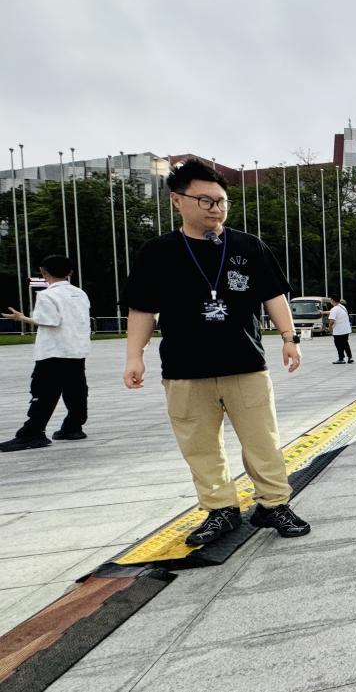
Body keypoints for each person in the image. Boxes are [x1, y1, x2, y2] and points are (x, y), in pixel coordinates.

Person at [122, 159, 310, 545]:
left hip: (245, 363)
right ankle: (220, 509)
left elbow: (274, 295)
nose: (215, 208)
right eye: (205, 200)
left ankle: (274, 504)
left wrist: (289, 338)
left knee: (263, 441)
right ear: (177, 200)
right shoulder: (158, 252)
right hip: (184, 368)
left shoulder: (248, 246)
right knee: (200, 446)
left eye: (221, 201)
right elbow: (142, 309)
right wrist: (134, 356)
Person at [1, 255, 91, 452]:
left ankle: (33, 432)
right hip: (76, 349)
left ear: (43, 272)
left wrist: (22, 318)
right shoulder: (80, 294)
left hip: (53, 351)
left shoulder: (47, 295)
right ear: (70, 272)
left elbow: (49, 320)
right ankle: (73, 427)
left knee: (44, 392)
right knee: (75, 390)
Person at [328, 295, 353, 364]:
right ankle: (350, 357)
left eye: (330, 300)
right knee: (345, 343)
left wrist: (329, 328)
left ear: (332, 300)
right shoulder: (342, 307)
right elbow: (331, 312)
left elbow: (332, 321)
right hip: (346, 329)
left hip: (338, 331)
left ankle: (341, 358)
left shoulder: (334, 309)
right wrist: (323, 312)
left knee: (338, 344)